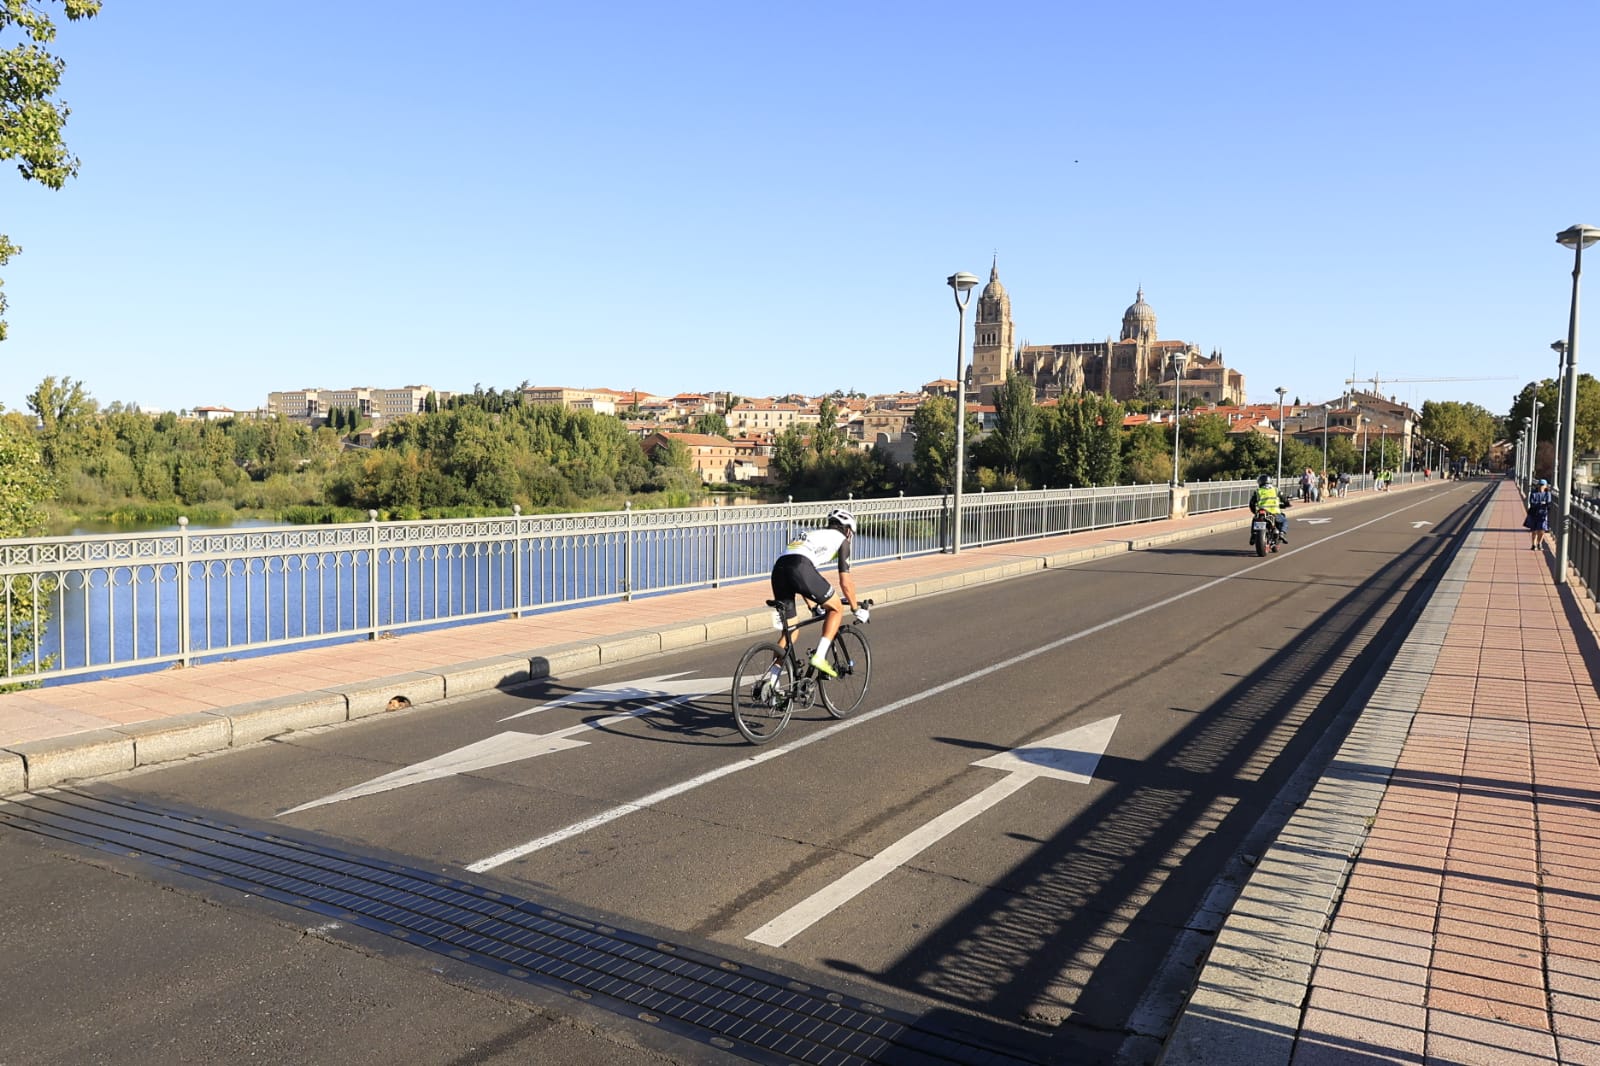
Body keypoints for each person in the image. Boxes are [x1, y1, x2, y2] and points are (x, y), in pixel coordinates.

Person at [766, 507, 863, 681]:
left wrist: (813, 606)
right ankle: (820, 656)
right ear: (848, 530)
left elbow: (801, 577)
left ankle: (771, 683)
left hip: (779, 569)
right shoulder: (842, 540)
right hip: (800, 567)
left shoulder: (816, 535)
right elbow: (845, 582)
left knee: (791, 632)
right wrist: (856, 608)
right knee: (837, 608)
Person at [1247, 474, 1287, 545]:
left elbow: (1252, 503)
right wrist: (1286, 504)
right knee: (1284, 520)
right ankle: (1282, 533)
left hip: (1262, 511)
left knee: (1254, 519)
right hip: (1274, 512)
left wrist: (1254, 512)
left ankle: (1253, 535)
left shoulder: (1258, 491)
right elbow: (1284, 499)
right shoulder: (1275, 490)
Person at [1525, 478, 1553, 551]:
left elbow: (1548, 503)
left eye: (1542, 485)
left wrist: (1542, 504)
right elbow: (1532, 502)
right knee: (1534, 530)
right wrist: (1541, 504)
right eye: (1540, 485)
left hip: (1543, 514)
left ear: (1545, 486)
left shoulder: (1547, 493)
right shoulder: (1533, 493)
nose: (1541, 486)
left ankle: (1539, 543)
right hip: (1534, 513)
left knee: (1542, 530)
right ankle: (1533, 544)